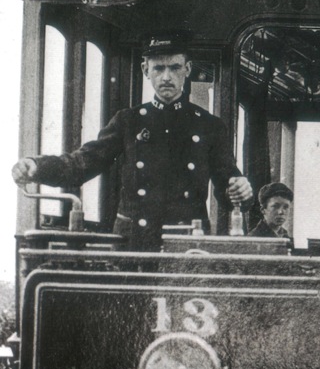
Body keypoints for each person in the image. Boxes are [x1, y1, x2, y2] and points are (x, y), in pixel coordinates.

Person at [12, 32, 252, 250]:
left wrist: (240, 189)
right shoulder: (127, 122)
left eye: (175, 67)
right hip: (133, 240)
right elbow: (83, 162)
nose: (167, 77)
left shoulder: (209, 126)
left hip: (187, 240)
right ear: (145, 70)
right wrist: (37, 167)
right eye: (158, 68)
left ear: (187, 69)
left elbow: (228, 185)